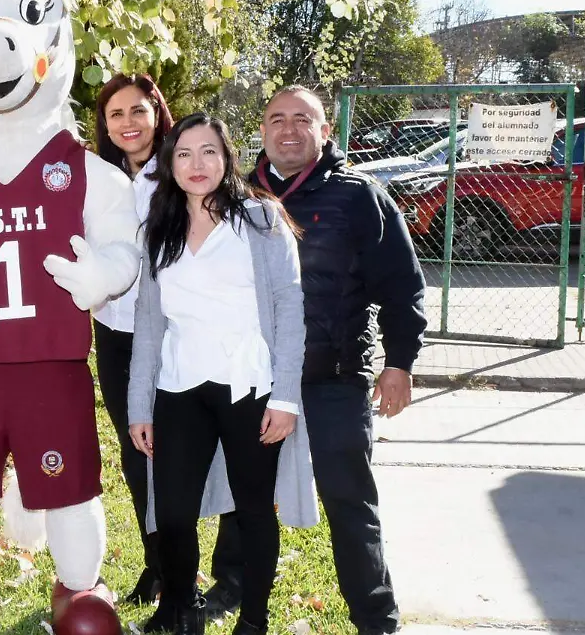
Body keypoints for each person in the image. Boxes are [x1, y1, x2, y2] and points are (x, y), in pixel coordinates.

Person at [210, 85, 428, 635]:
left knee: (350, 498)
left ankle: (376, 617)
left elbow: (402, 285)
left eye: (302, 120)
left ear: (325, 131)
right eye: (276, 119)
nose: (288, 130)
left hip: (332, 377)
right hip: (253, 377)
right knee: (244, 492)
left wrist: (399, 363)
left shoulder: (361, 197)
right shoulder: (232, 197)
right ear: (260, 131)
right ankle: (232, 585)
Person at [127, 112, 313, 635]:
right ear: (170, 165)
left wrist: (286, 396)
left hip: (250, 386)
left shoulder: (261, 220)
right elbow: (147, 325)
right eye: (183, 154)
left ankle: (254, 619)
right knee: (176, 513)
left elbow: (291, 308)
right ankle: (182, 612)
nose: (196, 164)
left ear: (227, 157)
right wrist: (140, 404)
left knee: (253, 510)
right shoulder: (158, 230)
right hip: (179, 388)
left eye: (208, 151)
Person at [90, 72, 174, 605]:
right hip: (113, 331)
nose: (127, 123)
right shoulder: (95, 177)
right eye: (115, 114)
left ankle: (183, 567)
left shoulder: (178, 170)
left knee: (171, 451)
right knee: (133, 449)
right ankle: (156, 564)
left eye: (137, 111)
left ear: (156, 114)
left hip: (167, 332)